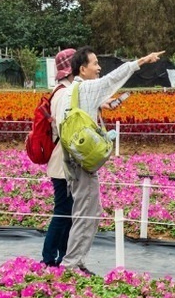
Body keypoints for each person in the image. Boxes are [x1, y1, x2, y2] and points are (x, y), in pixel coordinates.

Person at [57, 46, 163, 274]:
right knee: (86, 213)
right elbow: (111, 80)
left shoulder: (71, 90)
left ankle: (77, 262)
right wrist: (141, 61)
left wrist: (100, 106)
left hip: (73, 161)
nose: (99, 68)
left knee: (88, 211)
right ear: (83, 69)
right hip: (83, 164)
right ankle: (71, 265)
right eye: (95, 63)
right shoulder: (86, 87)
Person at [40, 48, 77, 267]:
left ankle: (62, 257)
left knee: (67, 211)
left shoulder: (61, 90)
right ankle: (48, 258)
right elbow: (65, 129)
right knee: (63, 211)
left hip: (62, 162)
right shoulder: (63, 93)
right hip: (61, 163)